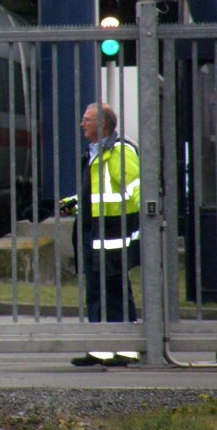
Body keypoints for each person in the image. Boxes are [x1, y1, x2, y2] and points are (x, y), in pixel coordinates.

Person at [65, 103, 141, 367]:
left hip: (111, 235)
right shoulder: (98, 152)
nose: (81, 124)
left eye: (86, 120)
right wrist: (71, 204)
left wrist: (134, 226)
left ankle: (123, 348)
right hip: (97, 233)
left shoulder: (120, 152)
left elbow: (136, 192)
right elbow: (96, 195)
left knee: (112, 291)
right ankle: (105, 348)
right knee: (101, 291)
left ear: (103, 125)